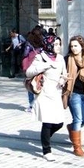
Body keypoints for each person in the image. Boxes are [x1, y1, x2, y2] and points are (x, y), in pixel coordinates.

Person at [25, 31, 68, 161]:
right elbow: (28, 72)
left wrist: (62, 80)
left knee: (59, 123)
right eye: (56, 44)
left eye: (59, 44)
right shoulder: (41, 57)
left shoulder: (60, 58)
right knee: (48, 123)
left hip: (56, 94)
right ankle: (46, 150)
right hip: (44, 94)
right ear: (49, 45)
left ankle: (45, 138)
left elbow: (64, 74)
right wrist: (45, 65)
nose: (58, 47)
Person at [63, 35, 84, 157]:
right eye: (72, 46)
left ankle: (71, 128)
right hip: (73, 93)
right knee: (78, 119)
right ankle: (77, 147)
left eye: (76, 46)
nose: (74, 48)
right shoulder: (67, 59)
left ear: (82, 46)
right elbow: (61, 73)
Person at [21, 27, 45, 112]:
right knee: (40, 84)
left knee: (30, 84)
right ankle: (40, 104)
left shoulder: (29, 43)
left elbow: (25, 53)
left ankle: (31, 105)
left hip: (30, 67)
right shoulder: (43, 43)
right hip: (41, 67)